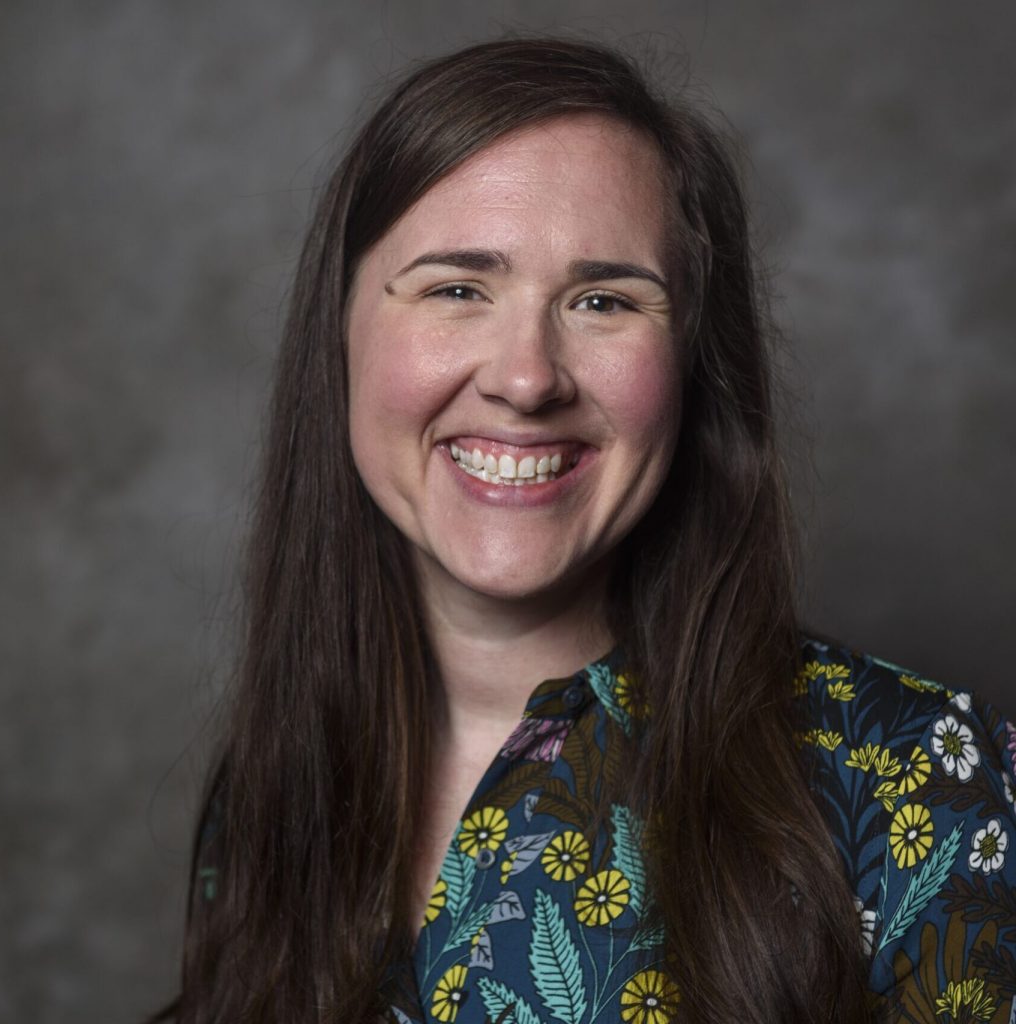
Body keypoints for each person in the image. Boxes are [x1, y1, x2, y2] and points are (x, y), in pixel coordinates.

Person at [155, 37, 1016, 1024]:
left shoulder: (916, 772)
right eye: (456, 288)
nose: (526, 377)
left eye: (603, 299)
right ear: (338, 331)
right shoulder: (269, 790)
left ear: (693, 361)